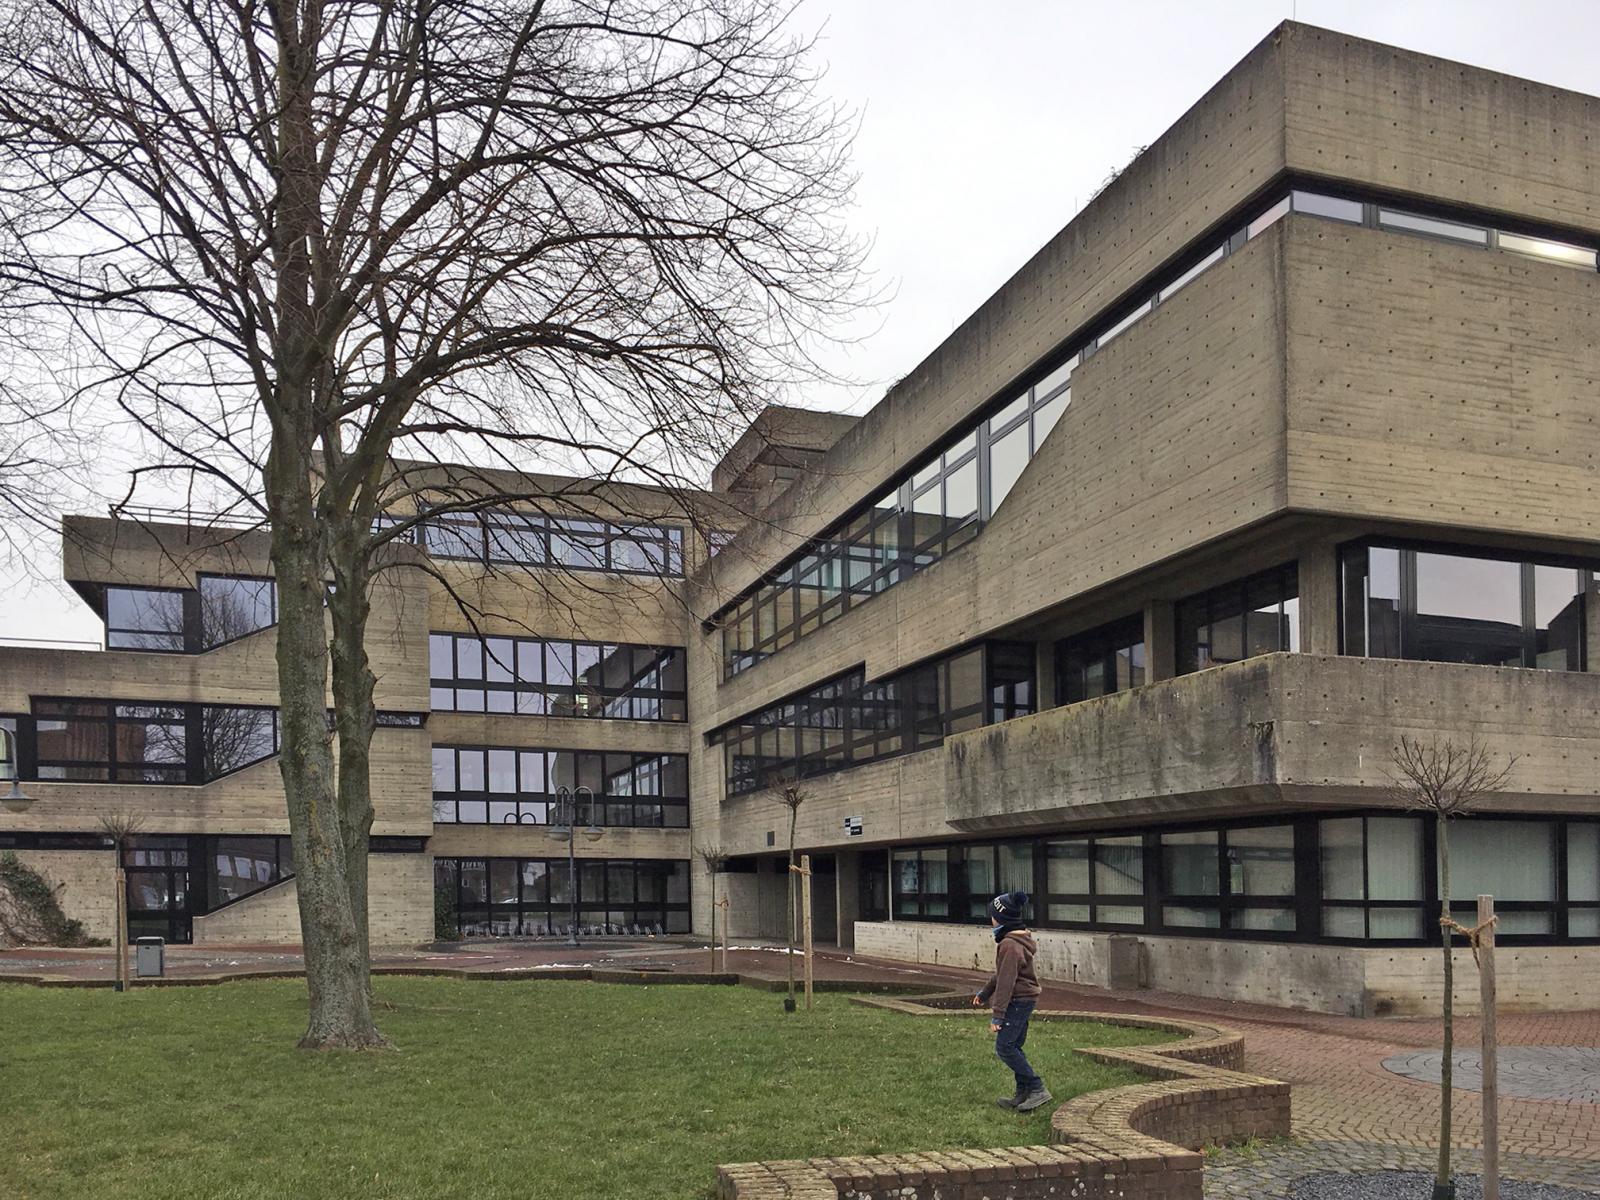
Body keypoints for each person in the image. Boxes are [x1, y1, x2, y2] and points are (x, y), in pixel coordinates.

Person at [972, 889, 1049, 1111]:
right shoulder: (1015, 940)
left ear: (1003, 918)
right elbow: (1002, 973)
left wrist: (998, 1015)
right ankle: (1022, 1093)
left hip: (1019, 1000)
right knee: (1014, 1045)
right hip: (1025, 998)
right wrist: (984, 992)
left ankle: (1037, 1088)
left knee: (1005, 1047)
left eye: (993, 916)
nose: (991, 920)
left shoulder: (1009, 944)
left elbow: (1006, 982)